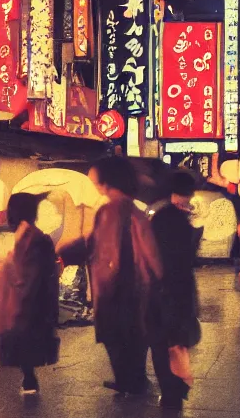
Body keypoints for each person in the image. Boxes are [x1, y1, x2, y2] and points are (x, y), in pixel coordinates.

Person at [59, 157, 163, 397]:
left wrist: (65, 251)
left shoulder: (110, 210)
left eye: (95, 180)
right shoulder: (134, 209)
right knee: (134, 338)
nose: (94, 184)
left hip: (115, 288)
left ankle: (129, 383)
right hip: (138, 287)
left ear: (107, 181)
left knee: (116, 338)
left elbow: (103, 249)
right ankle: (133, 381)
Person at [0, 193, 61, 394]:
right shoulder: (29, 234)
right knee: (24, 340)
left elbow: (30, 271)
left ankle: (29, 380)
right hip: (27, 297)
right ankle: (29, 378)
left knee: (23, 338)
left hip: (27, 298)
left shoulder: (32, 237)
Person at [147, 171, 202, 409]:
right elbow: (189, 257)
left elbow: (154, 255)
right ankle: (178, 389)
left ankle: (170, 392)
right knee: (178, 341)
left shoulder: (159, 218)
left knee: (161, 343)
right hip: (182, 287)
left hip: (161, 288)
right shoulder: (185, 220)